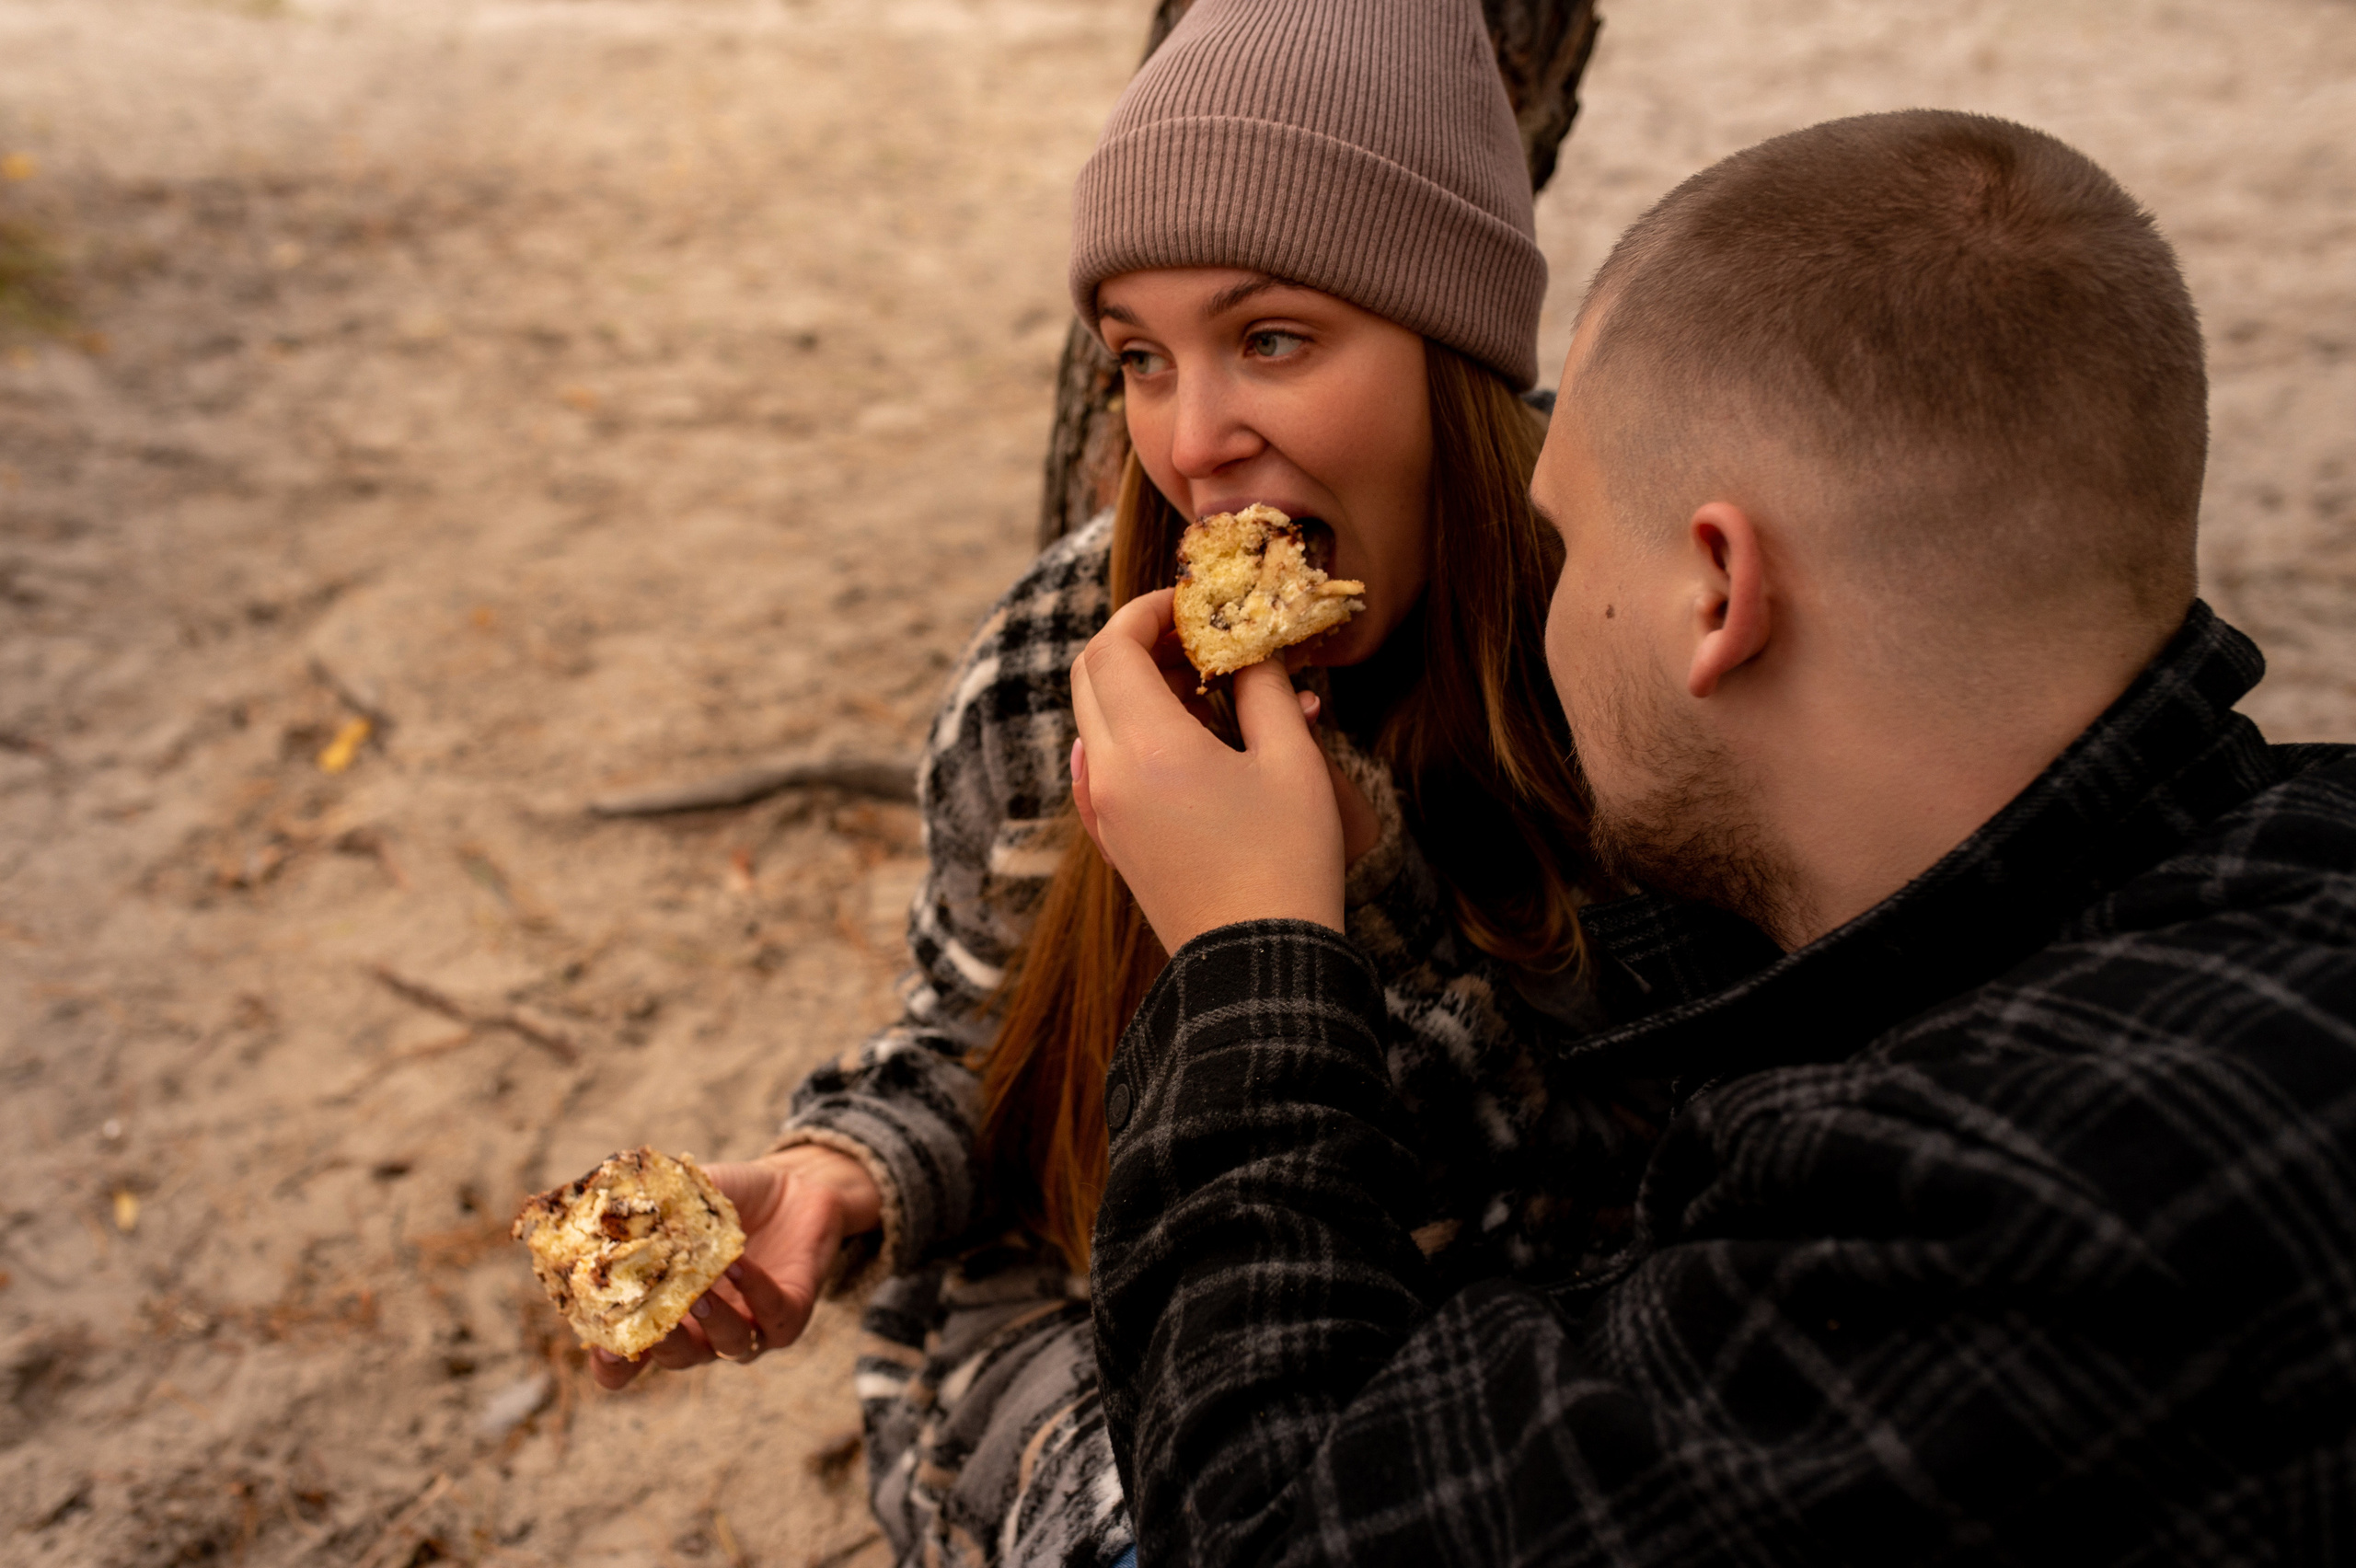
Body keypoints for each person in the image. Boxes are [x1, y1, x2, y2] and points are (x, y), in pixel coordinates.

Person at [1070, 110, 2356, 1562]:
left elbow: (1276, 1532)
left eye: (1570, 545)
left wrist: (1250, 947)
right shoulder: (2280, 876)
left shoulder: (2001, 1217)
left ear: (1716, 592)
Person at [589, 3, 1657, 1563]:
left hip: (1516, 1361)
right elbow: (981, 1055)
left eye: (1272, 338)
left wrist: (1326, 905)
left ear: (1454, 353)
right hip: (1112, 1344)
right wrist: (842, 1176)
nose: (1193, 442)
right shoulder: (1051, 671)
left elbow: (1654, 1139)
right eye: (1141, 360)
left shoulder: (1621, 649)